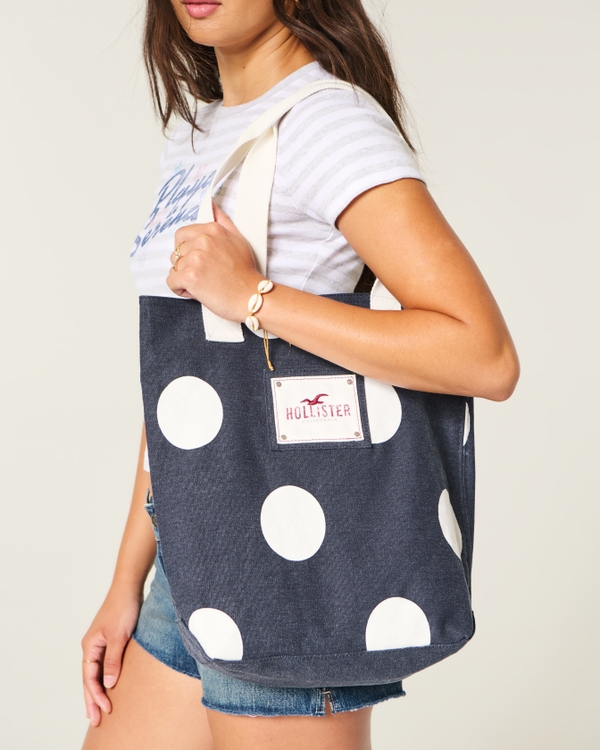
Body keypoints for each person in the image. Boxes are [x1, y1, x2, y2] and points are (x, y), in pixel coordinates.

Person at [81, 1, 520, 748]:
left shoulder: (327, 122)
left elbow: (484, 353)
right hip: (196, 556)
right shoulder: (201, 131)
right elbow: (185, 388)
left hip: (289, 574)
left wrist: (256, 297)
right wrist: (127, 581)